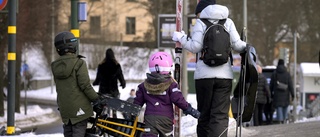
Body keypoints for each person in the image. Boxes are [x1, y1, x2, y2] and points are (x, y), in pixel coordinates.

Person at [172, 3, 247, 137]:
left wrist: (181, 38)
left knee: (204, 114)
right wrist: (247, 47)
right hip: (224, 77)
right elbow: (238, 45)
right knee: (219, 115)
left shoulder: (201, 23)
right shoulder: (228, 22)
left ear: (202, 11)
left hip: (203, 77)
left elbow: (194, 47)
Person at [134, 51, 200, 137]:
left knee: (149, 135)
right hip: (165, 119)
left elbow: (137, 103)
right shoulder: (171, 85)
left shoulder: (143, 86)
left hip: (149, 118)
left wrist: (132, 113)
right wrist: (189, 109)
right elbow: (179, 100)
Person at [51, 31, 101, 137]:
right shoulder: (79, 63)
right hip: (80, 109)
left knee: (68, 131)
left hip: (65, 109)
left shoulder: (55, 66)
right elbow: (85, 86)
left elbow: (60, 87)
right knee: (78, 132)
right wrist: (96, 99)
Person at [92, 48, 126, 118]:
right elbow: (121, 77)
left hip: (103, 91)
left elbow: (98, 78)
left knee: (102, 109)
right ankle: (114, 120)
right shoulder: (117, 65)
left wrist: (95, 83)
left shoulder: (101, 66)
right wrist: (123, 84)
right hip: (113, 92)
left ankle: (102, 122)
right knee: (114, 108)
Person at [269, 59, 294, 124]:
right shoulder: (287, 74)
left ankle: (280, 120)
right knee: (285, 106)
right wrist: (292, 94)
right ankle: (284, 119)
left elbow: (271, 84)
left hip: (277, 94)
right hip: (285, 93)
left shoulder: (275, 73)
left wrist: (270, 93)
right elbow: (290, 84)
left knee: (279, 107)